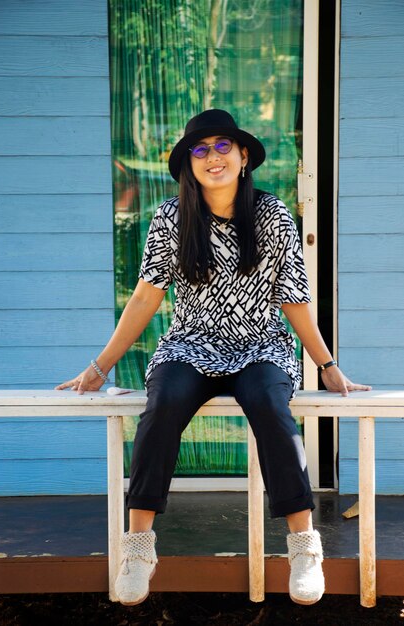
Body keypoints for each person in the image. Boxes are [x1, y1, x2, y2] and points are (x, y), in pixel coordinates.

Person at [56, 109, 371, 607]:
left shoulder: (272, 216)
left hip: (259, 344)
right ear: (189, 165)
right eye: (200, 150)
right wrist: (99, 367)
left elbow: (293, 299)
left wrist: (328, 366)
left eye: (224, 146)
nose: (213, 157)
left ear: (244, 156)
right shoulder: (170, 217)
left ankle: (303, 545)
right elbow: (145, 297)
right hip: (190, 343)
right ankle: (138, 546)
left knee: (271, 407)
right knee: (163, 404)